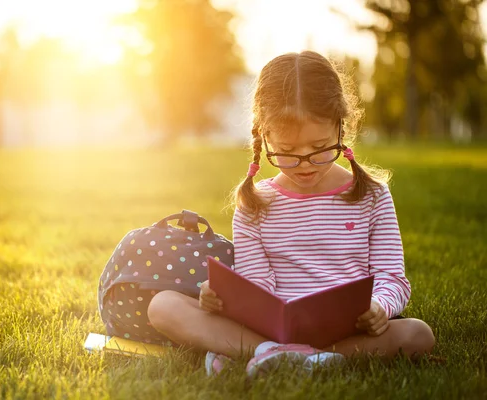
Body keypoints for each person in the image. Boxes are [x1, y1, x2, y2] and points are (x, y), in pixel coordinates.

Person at [146, 51, 435, 378]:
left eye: (320, 147)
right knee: (164, 305)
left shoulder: (371, 195)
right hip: (271, 329)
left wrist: (380, 307)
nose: (305, 164)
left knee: (417, 334)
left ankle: (267, 355)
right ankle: (286, 355)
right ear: (264, 136)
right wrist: (223, 301)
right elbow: (257, 285)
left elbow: (391, 276)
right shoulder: (255, 204)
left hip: (350, 332)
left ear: (342, 128)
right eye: (287, 151)